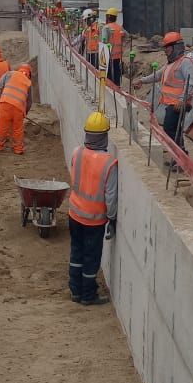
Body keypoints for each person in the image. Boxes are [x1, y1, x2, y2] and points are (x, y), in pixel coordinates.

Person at [68, 111, 118, 306]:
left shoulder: (76, 152)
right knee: (91, 257)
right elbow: (111, 196)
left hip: (75, 213)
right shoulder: (109, 162)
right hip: (94, 219)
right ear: (104, 135)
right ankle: (88, 295)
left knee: (76, 251)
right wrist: (112, 219)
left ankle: (75, 290)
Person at [137, 31, 193, 155]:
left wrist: (181, 100)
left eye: (167, 48)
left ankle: (180, 156)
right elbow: (158, 75)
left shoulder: (185, 63)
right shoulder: (171, 64)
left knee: (170, 129)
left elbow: (190, 84)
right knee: (173, 130)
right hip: (172, 104)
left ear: (176, 47)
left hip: (178, 105)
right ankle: (180, 155)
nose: (165, 51)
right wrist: (142, 81)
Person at [0, 63, 33, 154]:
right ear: (29, 74)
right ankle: (18, 149)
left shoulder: (9, 74)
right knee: (17, 129)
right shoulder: (28, 83)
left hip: (5, 104)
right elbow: (29, 102)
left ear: (19, 69)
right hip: (19, 108)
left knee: (2, 127)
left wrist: (2, 98)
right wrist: (24, 112)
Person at [102, 9, 126, 86]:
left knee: (109, 73)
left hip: (109, 54)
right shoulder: (119, 27)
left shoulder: (106, 28)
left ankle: (110, 87)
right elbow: (126, 35)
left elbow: (104, 41)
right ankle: (117, 86)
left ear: (108, 17)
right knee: (116, 71)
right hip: (118, 55)